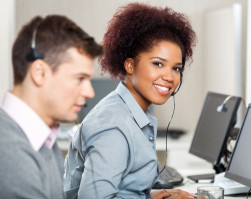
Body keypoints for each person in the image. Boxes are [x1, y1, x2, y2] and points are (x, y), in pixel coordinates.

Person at [64, 3, 196, 199]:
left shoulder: (133, 112)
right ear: (130, 65)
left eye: (176, 68)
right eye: (158, 64)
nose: (169, 77)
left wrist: (150, 196)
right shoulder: (113, 125)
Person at [0, 15, 103, 199]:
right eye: (80, 78)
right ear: (39, 73)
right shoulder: (10, 153)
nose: (90, 93)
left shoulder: (42, 138)